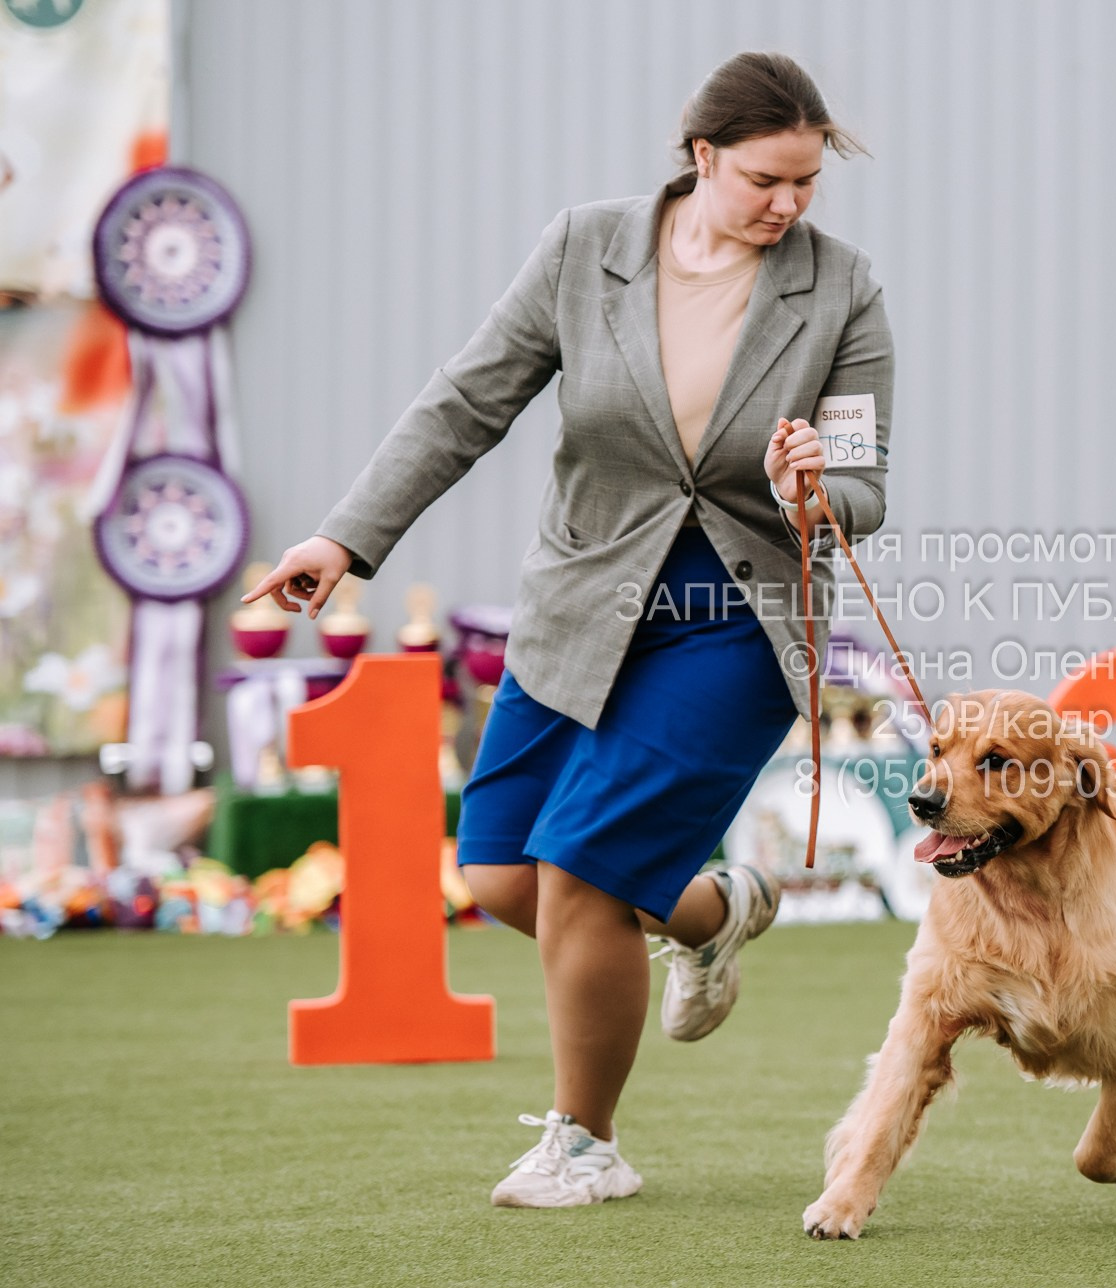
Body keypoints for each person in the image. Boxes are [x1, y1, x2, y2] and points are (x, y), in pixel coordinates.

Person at [241, 52, 893, 1208]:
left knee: (582, 866)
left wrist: (813, 489)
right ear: (702, 157)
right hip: (585, 602)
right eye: (763, 180)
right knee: (498, 875)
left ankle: (585, 1146)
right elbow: (464, 405)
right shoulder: (582, 247)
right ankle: (709, 909)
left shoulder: (841, 289)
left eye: (804, 183)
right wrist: (343, 542)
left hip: (735, 616)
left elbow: (863, 489)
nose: (787, 205)